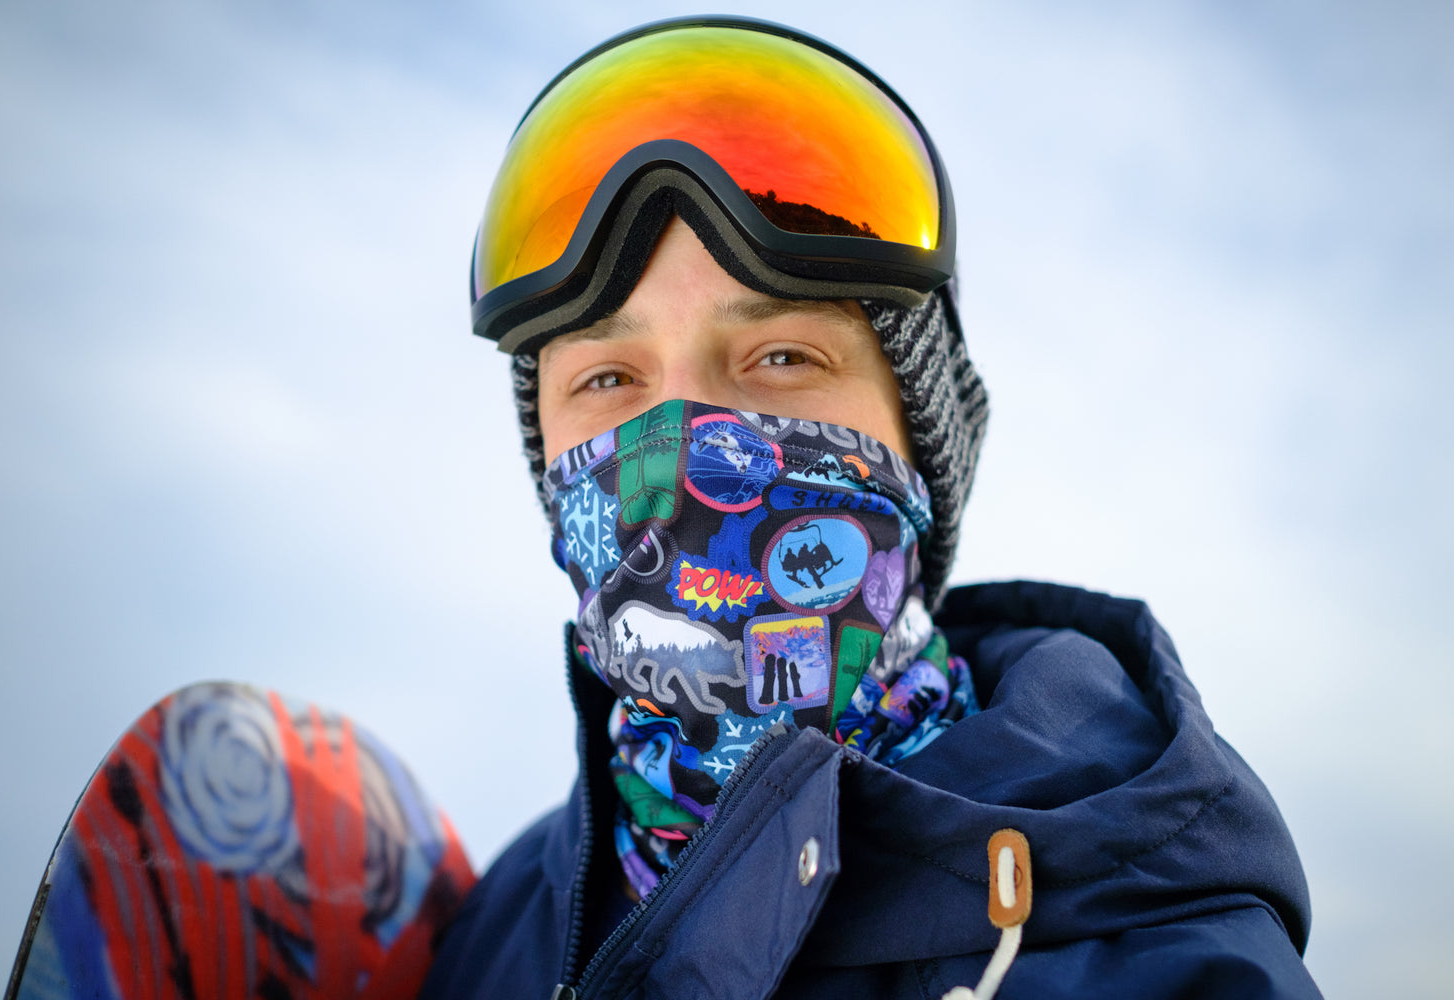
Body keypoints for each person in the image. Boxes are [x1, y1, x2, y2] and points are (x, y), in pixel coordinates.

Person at [419, 16, 1321, 999]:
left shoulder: (1167, 964)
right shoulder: (489, 943)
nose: (682, 444)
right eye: (608, 379)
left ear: (923, 448)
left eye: (781, 356)